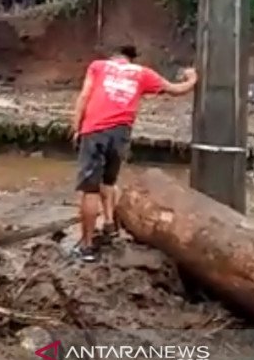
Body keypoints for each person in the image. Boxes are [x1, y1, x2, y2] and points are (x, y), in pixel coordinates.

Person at [70, 45, 198, 262]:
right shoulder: (142, 73)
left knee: (89, 189)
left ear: (114, 57)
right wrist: (192, 78)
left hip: (95, 130)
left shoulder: (98, 66)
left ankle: (86, 246)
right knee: (108, 182)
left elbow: (84, 96)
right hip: (120, 133)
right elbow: (177, 90)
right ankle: (110, 225)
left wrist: (76, 128)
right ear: (131, 59)